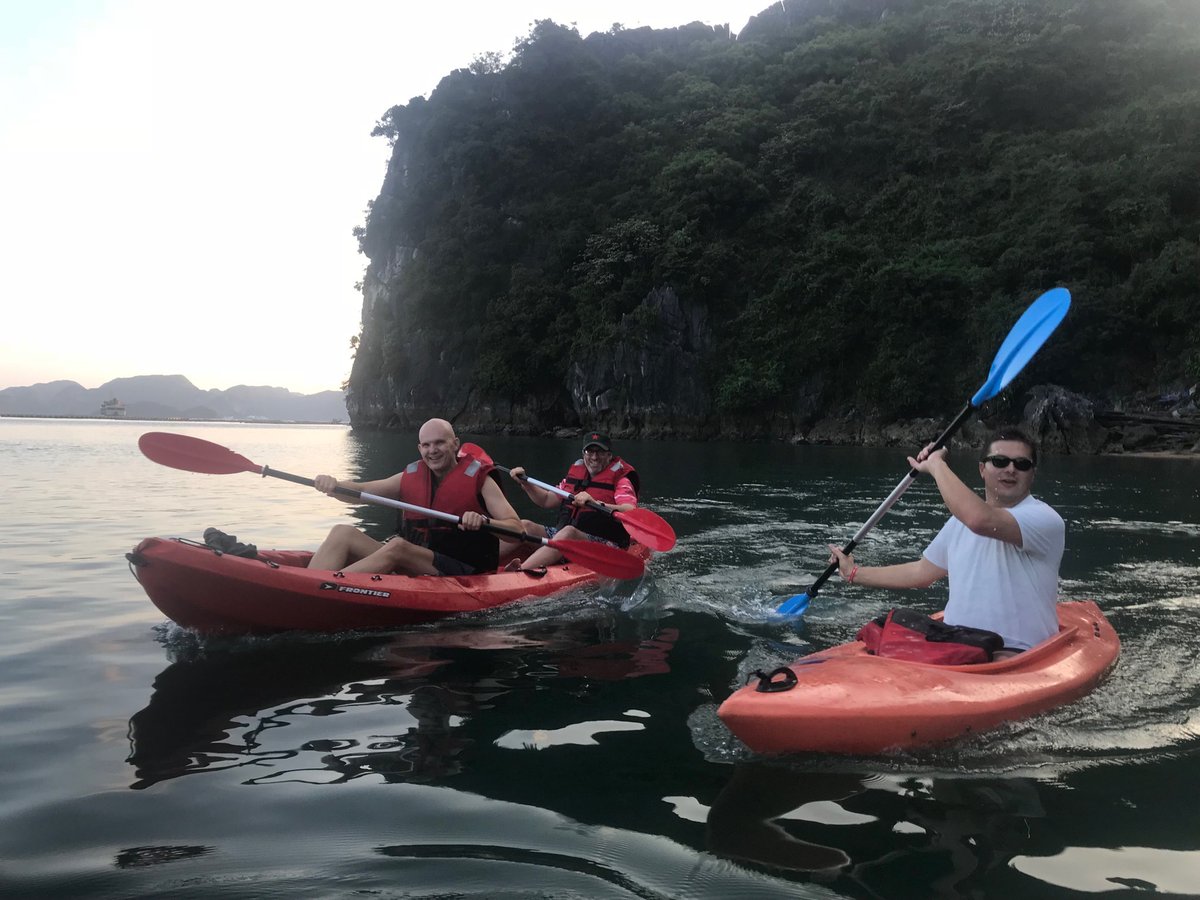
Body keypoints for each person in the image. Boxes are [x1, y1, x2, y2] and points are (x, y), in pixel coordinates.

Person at [827, 428, 1064, 656]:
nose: (1011, 469)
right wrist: (853, 573)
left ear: (1032, 474)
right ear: (982, 469)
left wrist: (937, 465)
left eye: (1022, 464)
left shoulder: (1044, 519)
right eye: (1000, 461)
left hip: (1015, 652)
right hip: (956, 644)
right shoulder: (958, 523)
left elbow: (979, 520)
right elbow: (921, 572)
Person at [307, 418, 522, 575]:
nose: (432, 450)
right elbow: (362, 491)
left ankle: (326, 586)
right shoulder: (409, 477)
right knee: (342, 532)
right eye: (426, 445)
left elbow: (517, 529)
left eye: (439, 442)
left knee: (398, 547)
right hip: (417, 560)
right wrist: (334, 486)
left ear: (455, 444)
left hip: (463, 568)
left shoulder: (482, 481)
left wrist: (484, 521)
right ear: (420, 448)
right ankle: (310, 585)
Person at [503, 431, 640, 576]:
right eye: (590, 452)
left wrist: (596, 504)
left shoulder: (621, 480)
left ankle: (518, 574)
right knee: (524, 526)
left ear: (609, 455)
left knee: (569, 532)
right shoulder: (575, 475)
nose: (594, 457)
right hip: (565, 537)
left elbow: (630, 511)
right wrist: (525, 484)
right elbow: (546, 500)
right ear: (583, 454)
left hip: (604, 544)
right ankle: (487, 561)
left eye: (600, 452)